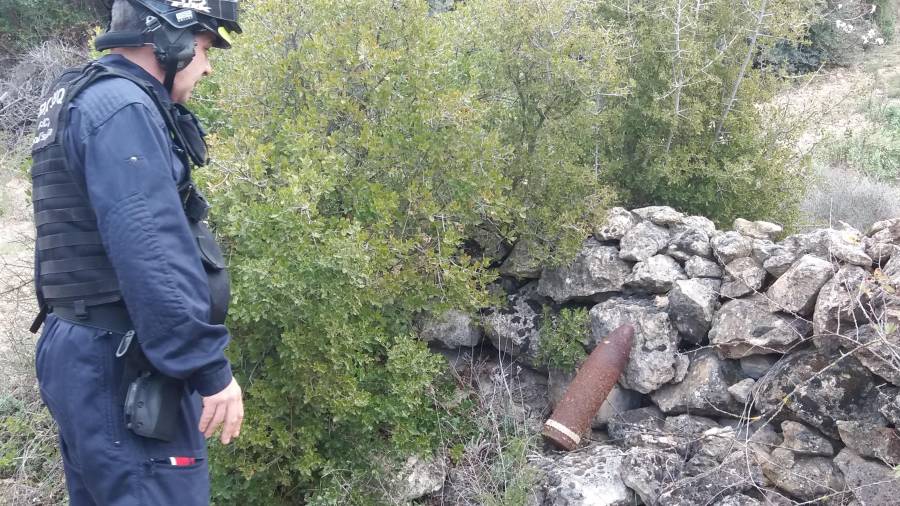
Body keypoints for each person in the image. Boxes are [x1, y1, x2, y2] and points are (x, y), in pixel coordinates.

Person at [29, 0, 244, 503]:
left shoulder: (82, 96)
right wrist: (210, 369)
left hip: (82, 346)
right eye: (205, 46)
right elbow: (153, 256)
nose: (207, 65)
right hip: (119, 358)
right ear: (168, 38)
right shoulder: (122, 108)